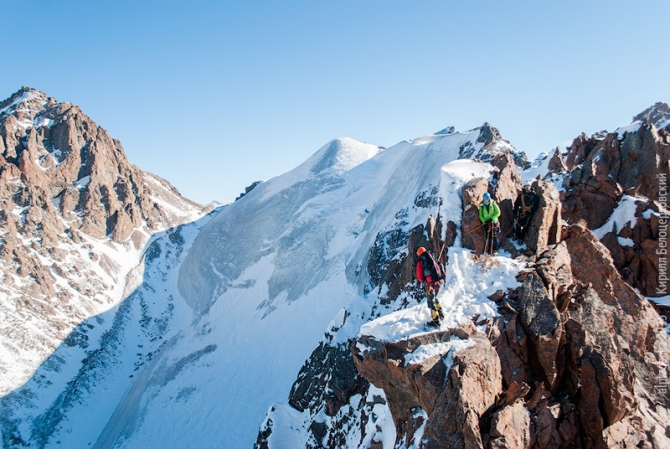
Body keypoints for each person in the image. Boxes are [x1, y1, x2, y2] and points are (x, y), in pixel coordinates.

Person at [415, 246, 445, 327]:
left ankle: (435, 321)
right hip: (438, 283)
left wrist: (425, 280)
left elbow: (420, 277)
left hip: (430, 285)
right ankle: (441, 314)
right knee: (434, 298)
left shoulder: (421, 263)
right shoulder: (433, 259)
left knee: (431, 302)